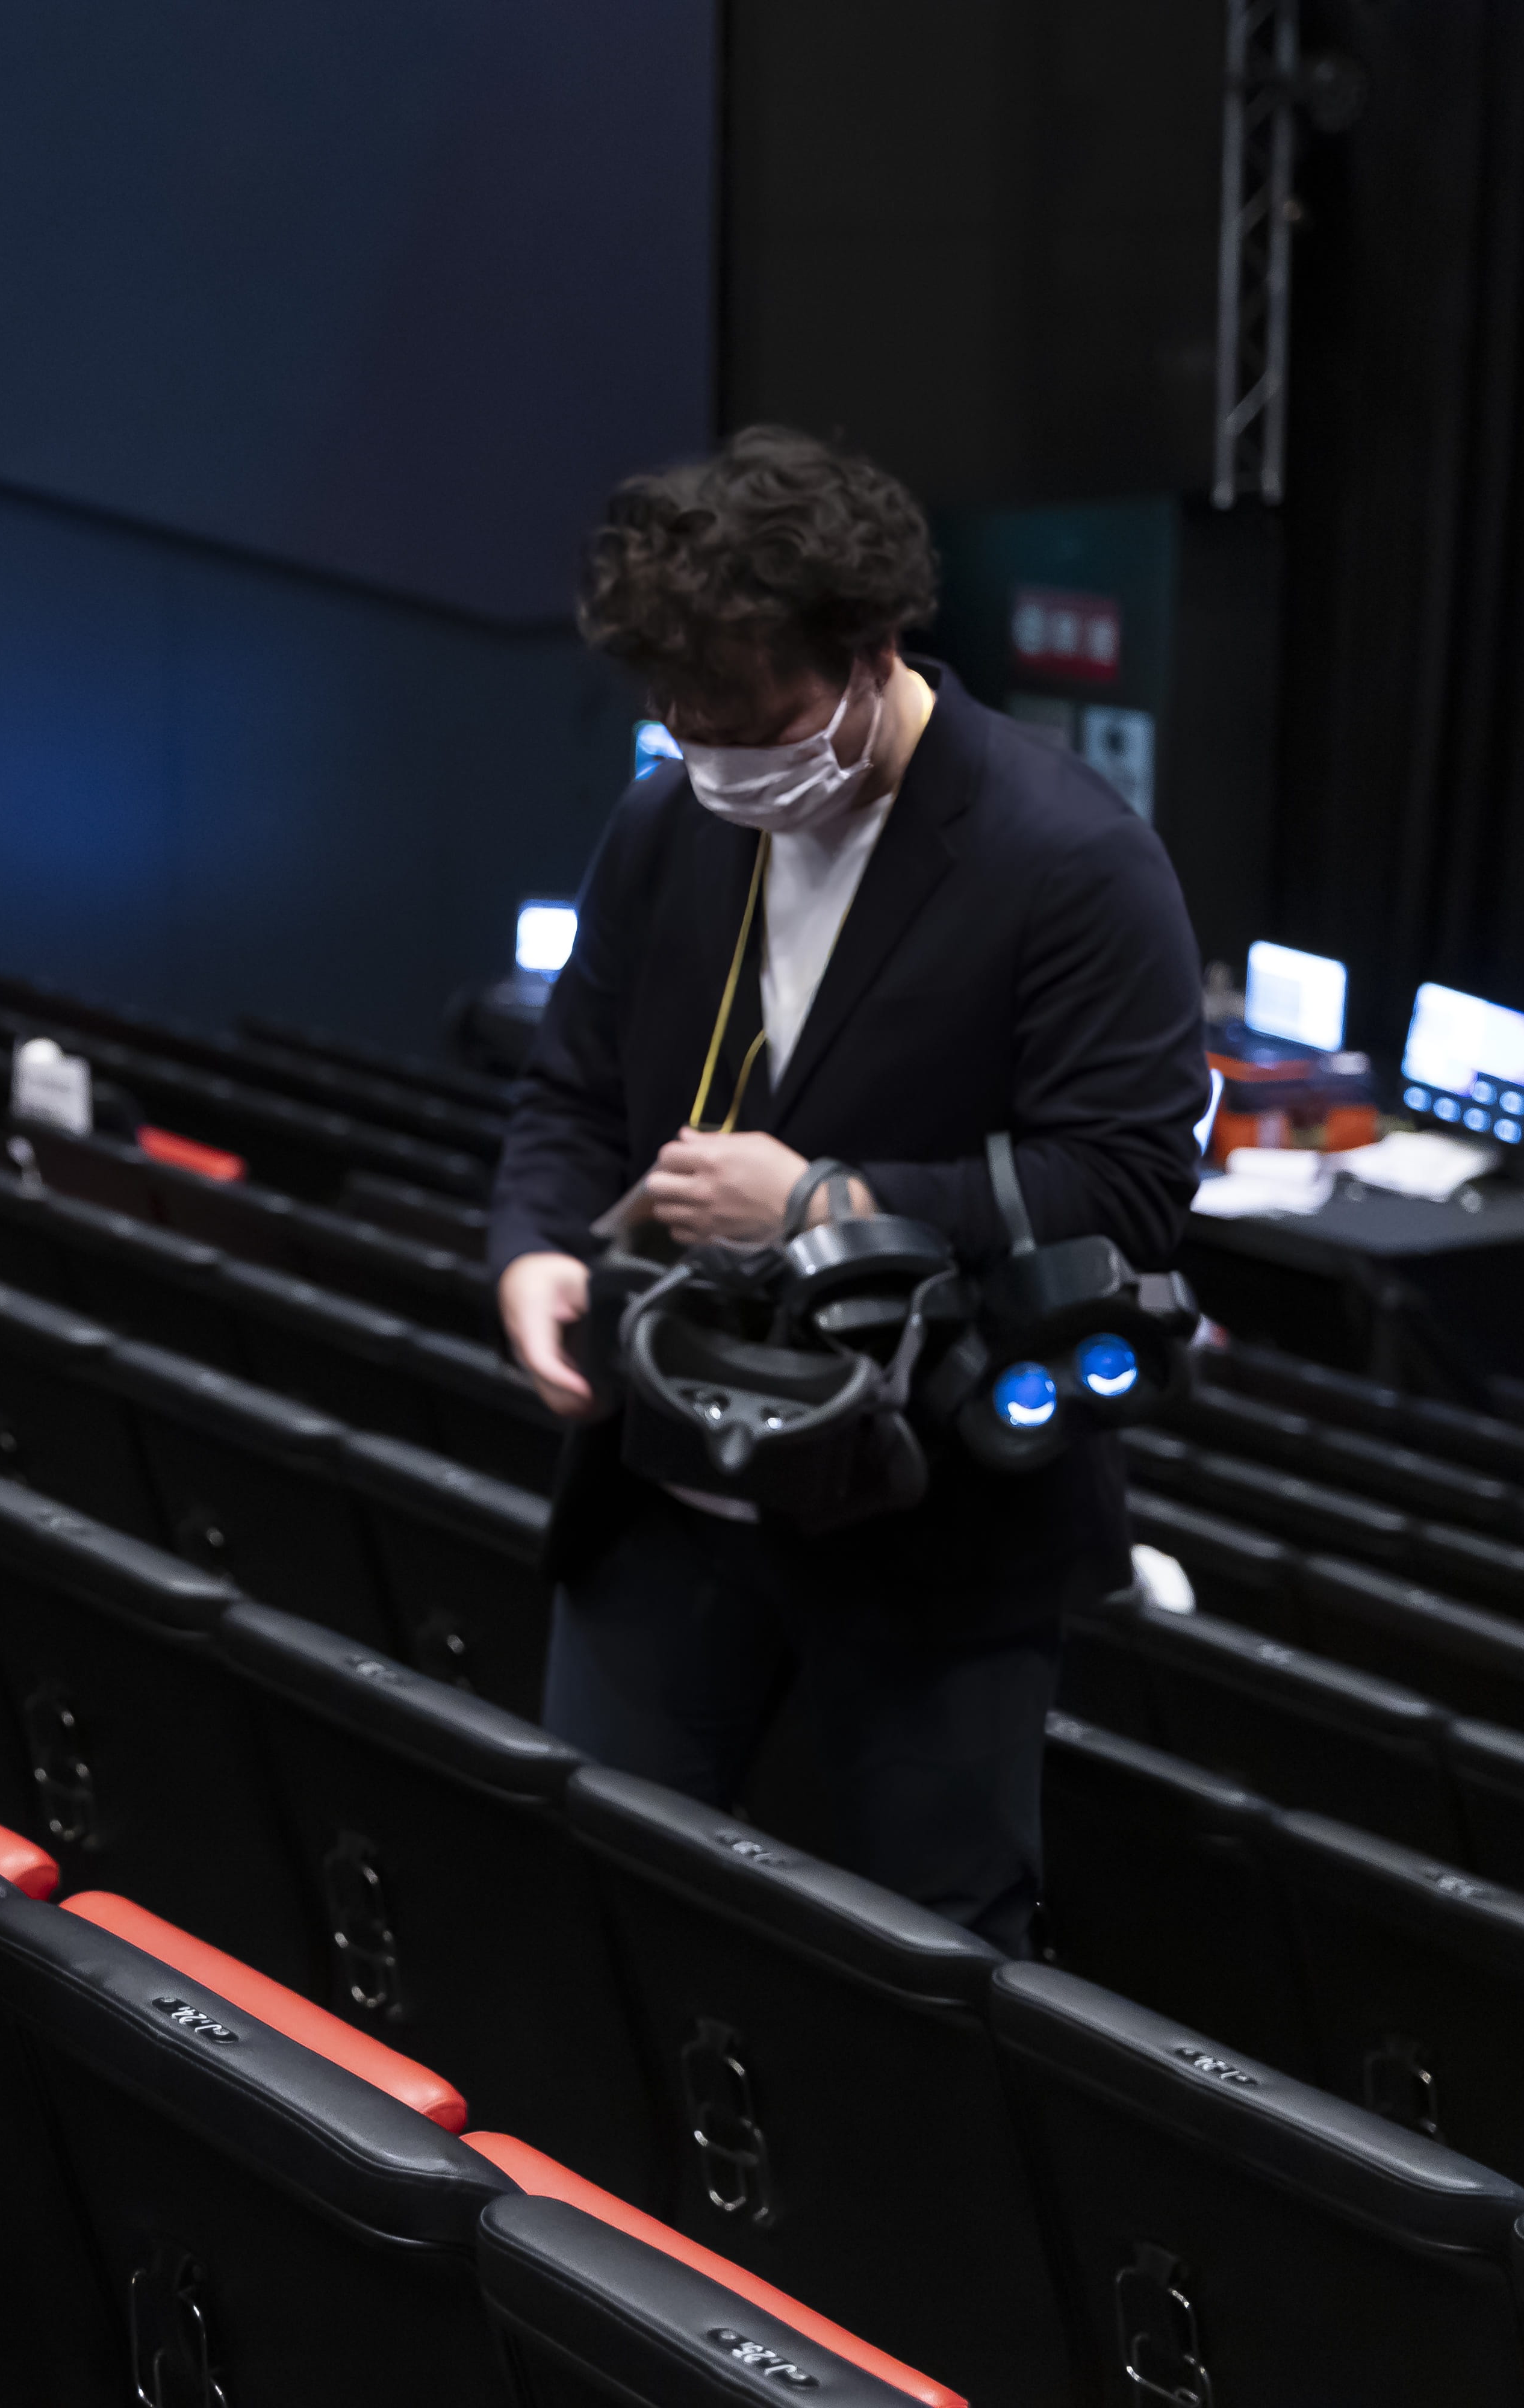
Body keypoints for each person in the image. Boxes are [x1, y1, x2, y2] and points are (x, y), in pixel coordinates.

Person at [488, 426, 1204, 1955]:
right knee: (600, 1919)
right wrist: (534, 1247)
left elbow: (1130, 1189)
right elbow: (570, 1092)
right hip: (664, 1481)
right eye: (688, 729)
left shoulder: (1075, 860)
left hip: (932, 1522)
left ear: (875, 651)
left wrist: (826, 1200)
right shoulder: (666, 820)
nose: (725, 767)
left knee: (920, 1981)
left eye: (759, 725)